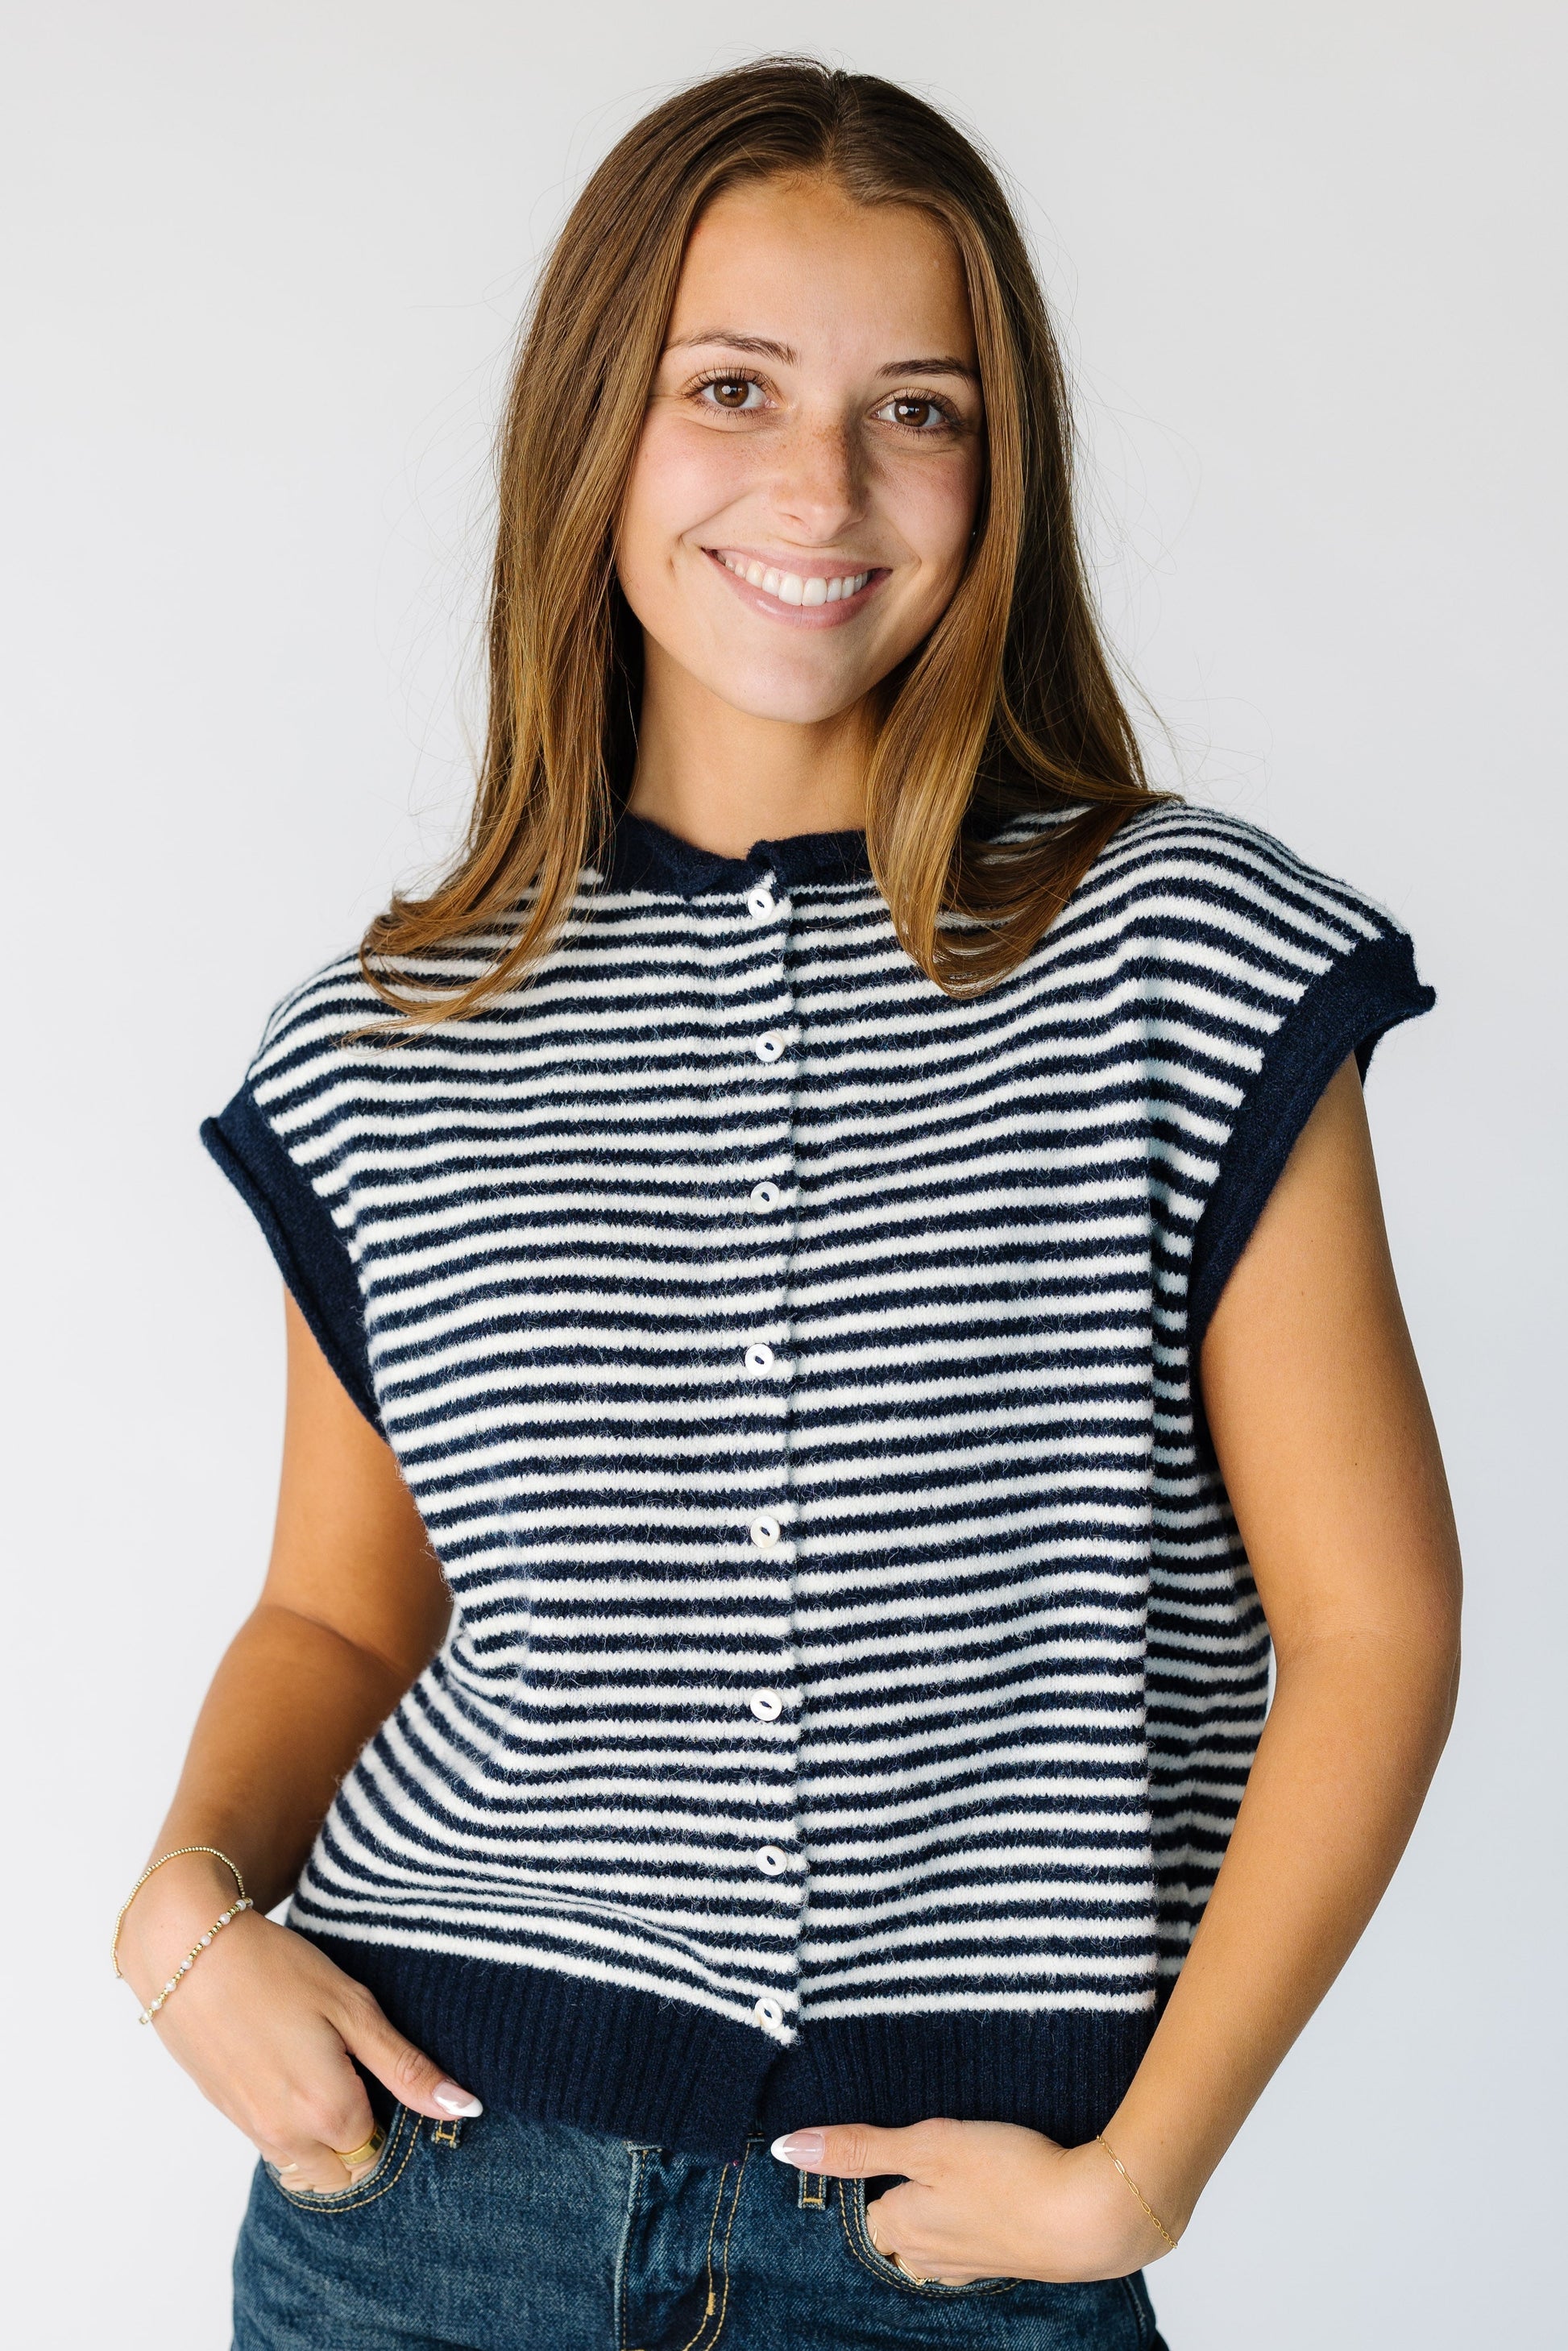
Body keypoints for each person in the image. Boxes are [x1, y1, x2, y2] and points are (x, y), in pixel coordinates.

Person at [113, 57, 1462, 2351]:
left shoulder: (1182, 960)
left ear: (994, 463)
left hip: (956, 2246)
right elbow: (342, 1619)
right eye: (725, 386)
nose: (818, 485)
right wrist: (182, 1916)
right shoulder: (386, 1041)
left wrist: (1142, 2173)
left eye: (916, 409)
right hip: (420, 2212)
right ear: (591, 434)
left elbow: (1371, 1626)